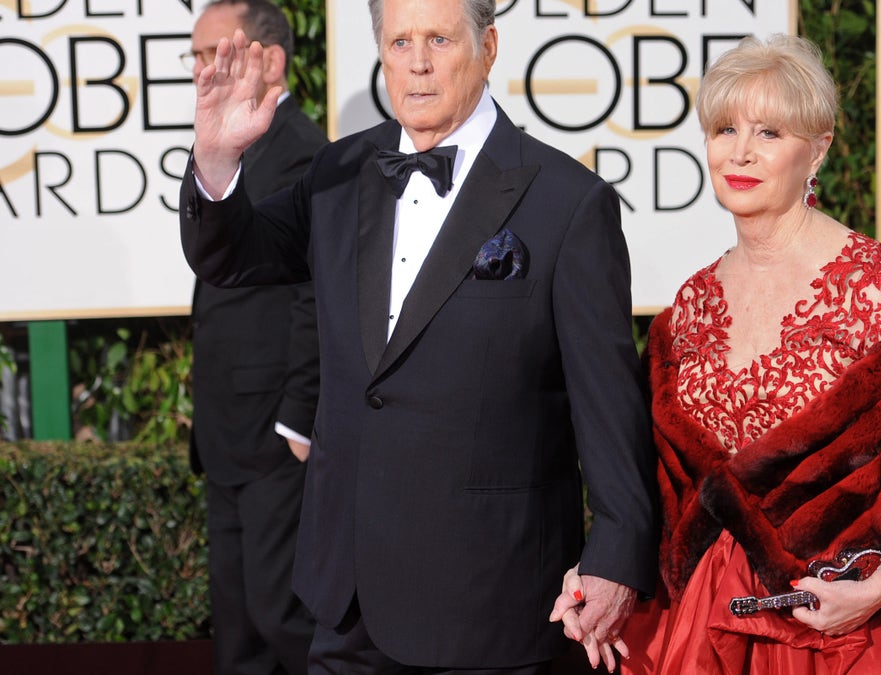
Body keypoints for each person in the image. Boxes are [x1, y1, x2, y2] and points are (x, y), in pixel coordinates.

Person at [553, 34, 881, 673]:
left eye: (770, 133)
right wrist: (602, 569)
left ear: (819, 149)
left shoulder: (875, 284)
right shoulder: (687, 307)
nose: (740, 152)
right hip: (713, 622)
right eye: (724, 129)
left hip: (865, 623)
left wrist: (880, 586)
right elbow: (656, 492)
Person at [178, 0, 660, 672]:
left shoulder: (568, 203)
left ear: (488, 46)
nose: (419, 62)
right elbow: (233, 256)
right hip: (346, 597)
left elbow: (607, 407)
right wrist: (219, 157)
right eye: (400, 41)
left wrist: (616, 552)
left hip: (490, 601)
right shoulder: (339, 172)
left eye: (439, 37)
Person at [184, 2, 326, 673]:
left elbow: (314, 296)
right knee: (237, 628)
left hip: (274, 435)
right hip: (225, 433)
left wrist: (298, 420)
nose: (204, 70)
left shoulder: (304, 153)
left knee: (282, 613)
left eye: (220, 52)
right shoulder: (232, 145)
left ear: (270, 60)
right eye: (199, 56)